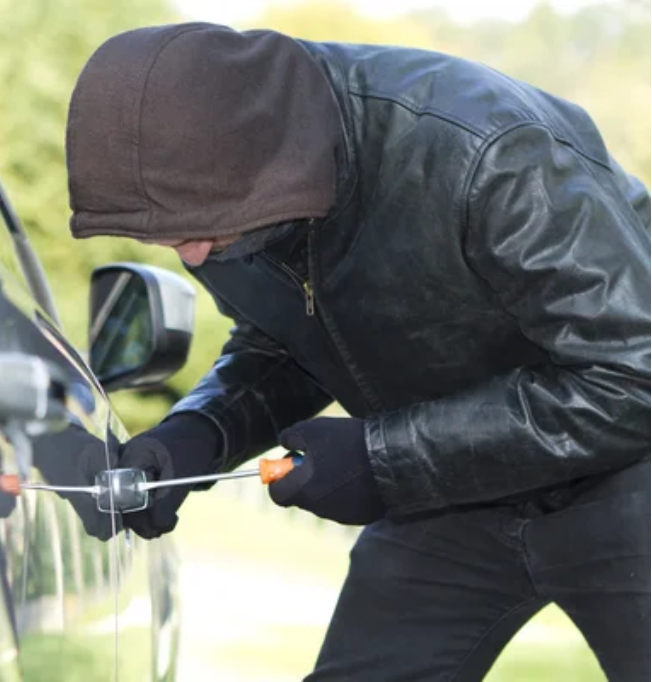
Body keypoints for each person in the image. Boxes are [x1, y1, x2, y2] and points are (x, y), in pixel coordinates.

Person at [64, 23, 651, 681]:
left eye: (199, 228)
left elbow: (634, 374)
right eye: (169, 235)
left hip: (627, 474)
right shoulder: (215, 203)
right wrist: (197, 433)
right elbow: (284, 338)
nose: (192, 254)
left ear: (273, 165)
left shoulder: (487, 152)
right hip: (449, 495)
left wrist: (381, 460)